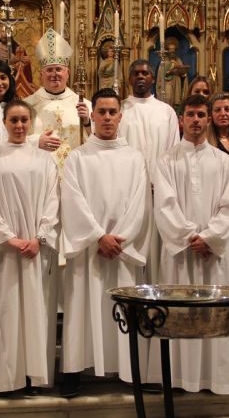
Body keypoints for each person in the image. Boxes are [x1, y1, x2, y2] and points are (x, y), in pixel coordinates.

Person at [60, 88, 150, 397]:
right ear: (92, 116)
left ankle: (128, 368)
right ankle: (73, 370)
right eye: (102, 112)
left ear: (120, 117)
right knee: (81, 306)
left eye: (113, 112)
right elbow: (72, 200)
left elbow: (140, 203)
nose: (108, 117)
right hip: (90, 250)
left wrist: (118, 239)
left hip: (121, 251)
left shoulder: (135, 157)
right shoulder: (77, 157)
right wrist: (99, 235)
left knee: (122, 307)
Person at [150, 93, 229, 394]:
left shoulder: (224, 161)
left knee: (211, 312)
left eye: (202, 115)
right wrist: (191, 236)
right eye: (190, 114)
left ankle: (213, 378)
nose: (196, 120)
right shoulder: (165, 161)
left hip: (210, 255)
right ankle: (179, 378)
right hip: (180, 254)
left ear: (209, 119)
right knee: (179, 311)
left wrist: (211, 238)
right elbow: (164, 204)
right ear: (181, 120)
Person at [0, 100, 59, 396]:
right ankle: (6, 380)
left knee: (35, 312)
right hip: (4, 252)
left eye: (24, 120)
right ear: (4, 122)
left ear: (31, 122)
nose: (20, 126)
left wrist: (39, 236)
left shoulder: (44, 160)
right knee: (5, 312)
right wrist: (8, 237)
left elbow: (52, 200)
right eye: (14, 120)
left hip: (34, 248)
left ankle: (33, 376)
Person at [118, 59, 179, 281]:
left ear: (153, 79)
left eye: (145, 73)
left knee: (157, 247)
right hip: (127, 191)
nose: (141, 77)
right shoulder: (120, 109)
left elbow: (173, 152)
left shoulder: (166, 112)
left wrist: (161, 183)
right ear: (129, 78)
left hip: (158, 190)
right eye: (136, 73)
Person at [25, 28, 91, 165]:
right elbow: (14, 139)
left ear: (67, 73)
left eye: (59, 69)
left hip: (73, 172)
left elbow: (97, 141)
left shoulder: (84, 105)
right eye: (49, 70)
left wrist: (87, 123)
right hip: (40, 171)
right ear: (41, 75)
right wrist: (35, 141)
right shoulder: (27, 105)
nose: (54, 74)